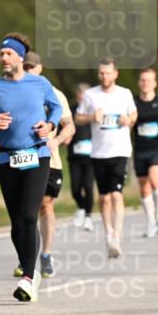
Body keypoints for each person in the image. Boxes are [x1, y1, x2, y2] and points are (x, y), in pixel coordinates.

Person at [0, 33, 61, 301]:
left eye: (8, 54)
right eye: (1, 54)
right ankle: (27, 264)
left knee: (31, 215)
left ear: (20, 57)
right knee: (17, 221)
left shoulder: (40, 83)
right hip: (7, 158)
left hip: (37, 155)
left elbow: (54, 108)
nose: (3, 58)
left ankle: (29, 278)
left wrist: (50, 125)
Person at [74, 57, 137, 259]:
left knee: (116, 195)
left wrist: (129, 120)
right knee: (103, 198)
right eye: (101, 73)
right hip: (99, 152)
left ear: (115, 74)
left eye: (108, 73)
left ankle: (116, 237)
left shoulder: (124, 94)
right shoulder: (91, 95)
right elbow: (78, 117)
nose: (104, 76)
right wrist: (92, 118)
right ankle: (108, 233)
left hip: (120, 151)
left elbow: (134, 115)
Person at [23, 51, 75, 278]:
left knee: (45, 205)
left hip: (49, 159)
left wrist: (57, 140)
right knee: (24, 210)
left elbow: (69, 126)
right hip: (21, 158)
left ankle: (45, 253)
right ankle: (25, 256)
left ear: (40, 68)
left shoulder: (55, 94)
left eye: (31, 67)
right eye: (24, 67)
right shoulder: (14, 91)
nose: (27, 71)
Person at [133, 68, 158, 238]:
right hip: (141, 149)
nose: (145, 83)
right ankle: (150, 222)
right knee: (144, 188)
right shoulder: (133, 102)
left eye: (149, 80)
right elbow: (129, 120)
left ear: (155, 83)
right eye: (143, 80)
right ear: (139, 83)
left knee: (155, 178)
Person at [68, 83, 95, 231]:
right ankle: (81, 207)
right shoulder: (71, 111)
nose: (81, 97)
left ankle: (89, 217)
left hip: (91, 156)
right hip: (74, 155)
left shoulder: (93, 112)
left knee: (89, 186)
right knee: (75, 187)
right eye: (79, 94)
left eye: (84, 95)